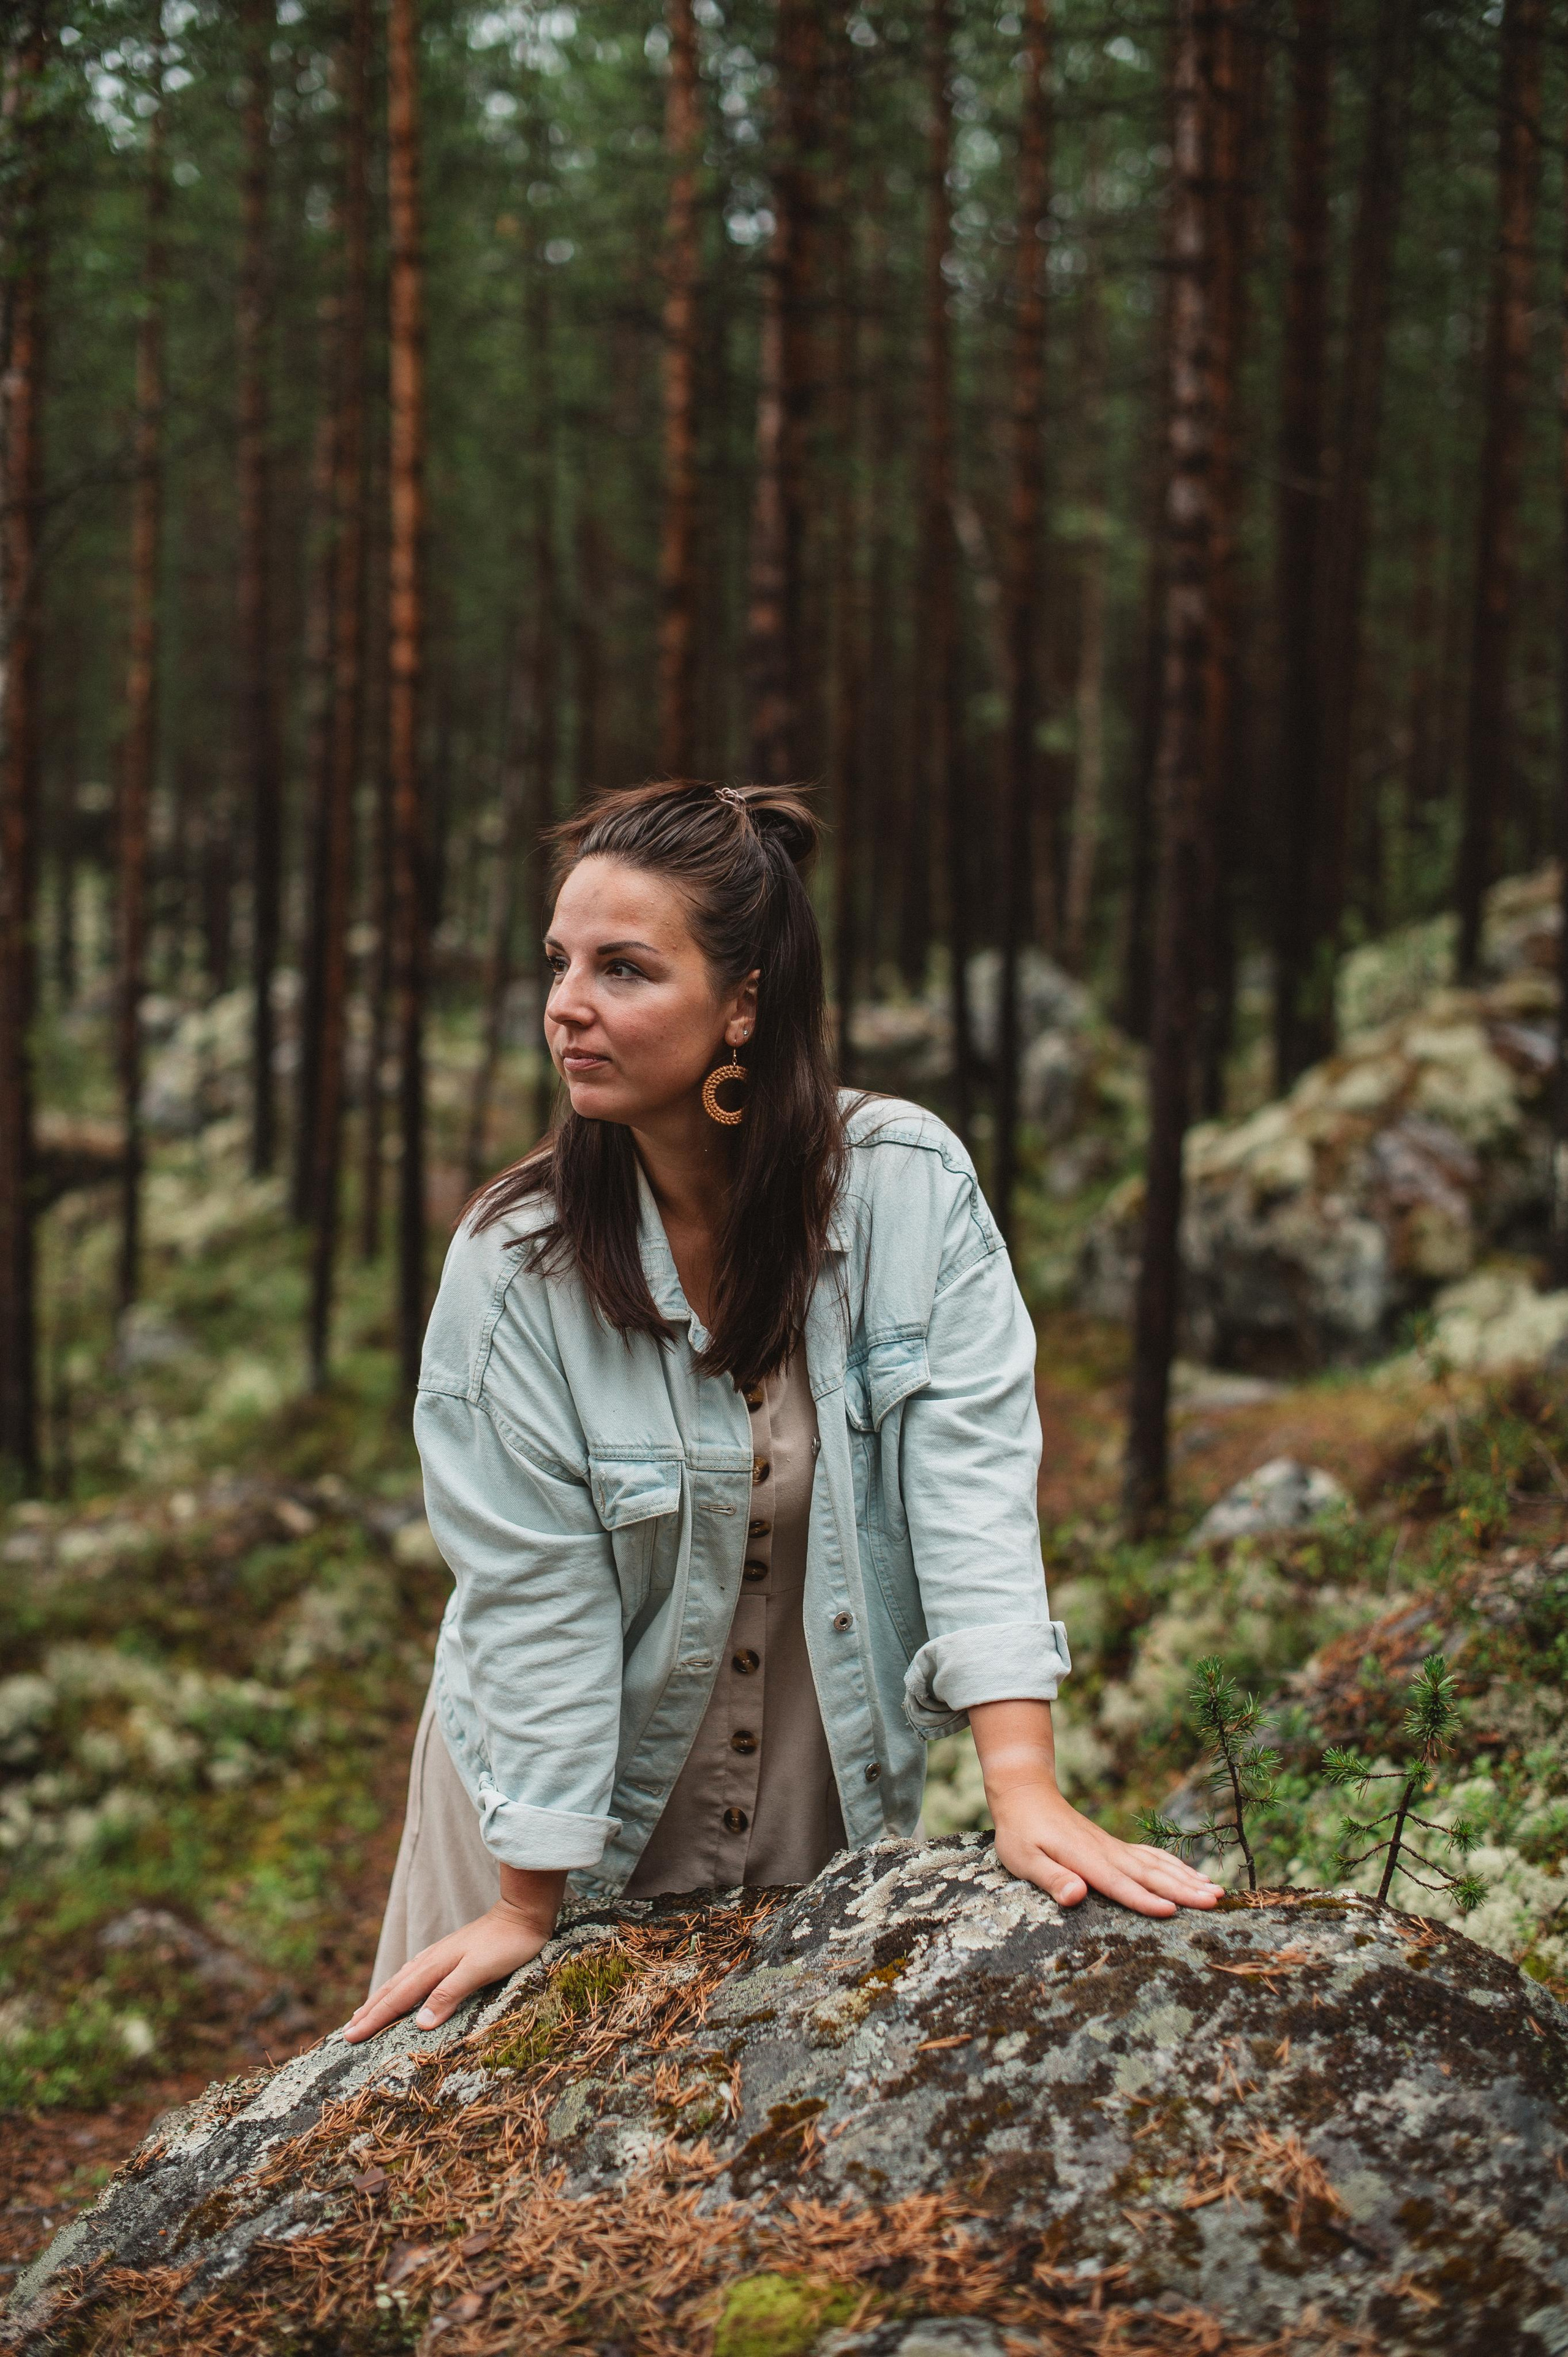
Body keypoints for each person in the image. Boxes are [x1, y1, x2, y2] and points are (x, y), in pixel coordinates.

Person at [346, 781, 1217, 2046]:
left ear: (742, 1002)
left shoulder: (906, 1189)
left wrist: (1020, 1785)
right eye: (559, 962)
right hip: (537, 1816)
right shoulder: (514, 1264)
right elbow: (531, 1594)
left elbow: (968, 1480)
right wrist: (527, 1903)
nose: (566, 1006)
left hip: (812, 1798)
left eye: (624, 969)